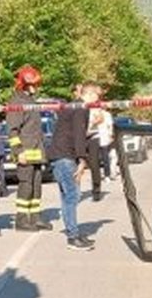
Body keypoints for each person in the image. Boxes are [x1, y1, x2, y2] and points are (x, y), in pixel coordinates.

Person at [48, 84, 94, 251]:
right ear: (89, 94)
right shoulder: (80, 108)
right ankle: (73, 237)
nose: (99, 100)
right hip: (66, 156)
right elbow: (78, 134)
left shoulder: (72, 106)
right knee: (73, 196)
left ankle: (72, 232)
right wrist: (82, 159)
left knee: (67, 196)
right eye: (97, 95)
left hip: (59, 155)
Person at [9, 65, 52, 231]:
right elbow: (12, 130)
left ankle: (35, 218)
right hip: (25, 153)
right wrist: (18, 152)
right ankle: (22, 220)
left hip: (36, 152)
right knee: (25, 186)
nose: (36, 87)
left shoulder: (30, 101)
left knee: (36, 185)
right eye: (33, 84)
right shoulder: (16, 102)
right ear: (24, 84)